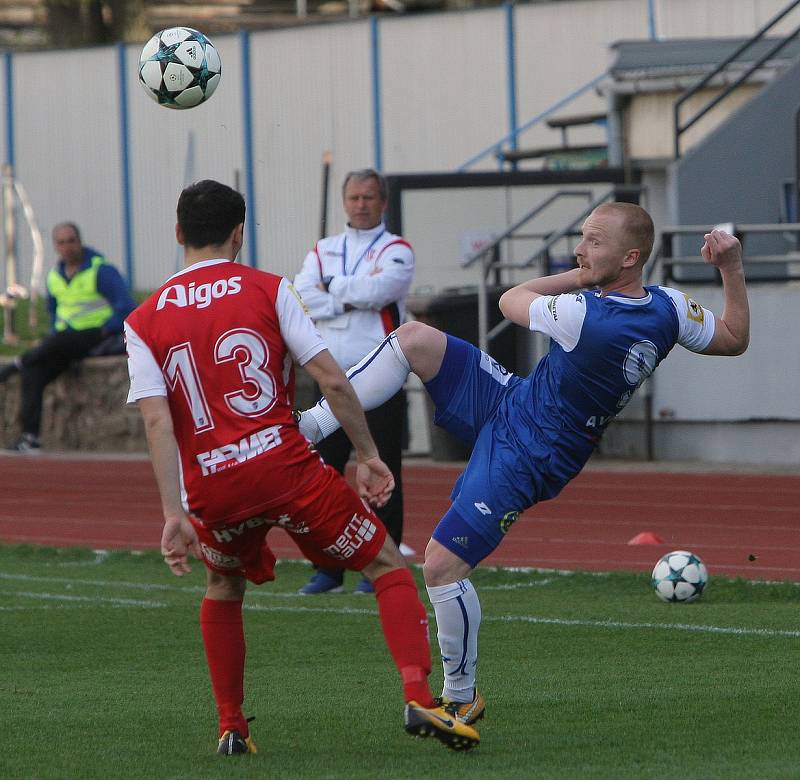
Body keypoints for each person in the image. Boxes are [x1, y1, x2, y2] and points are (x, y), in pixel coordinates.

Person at [297, 202, 750, 728]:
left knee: (441, 566)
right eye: (582, 238)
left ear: (629, 257)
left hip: (533, 450)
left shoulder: (587, 315)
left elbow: (512, 299)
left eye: (594, 242)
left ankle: (460, 696)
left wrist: (577, 277)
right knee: (414, 339)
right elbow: (734, 337)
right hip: (515, 399)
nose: (581, 250)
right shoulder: (668, 307)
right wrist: (731, 269)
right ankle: (310, 427)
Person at [124, 179, 479, 756]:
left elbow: (158, 423)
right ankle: (419, 695)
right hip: (283, 467)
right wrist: (367, 454)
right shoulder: (267, 288)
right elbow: (332, 379)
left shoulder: (142, 321)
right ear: (239, 233)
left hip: (213, 485)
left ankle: (232, 726)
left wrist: (174, 513)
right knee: (386, 563)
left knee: (222, 585)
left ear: (178, 234)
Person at [293, 168, 415, 595]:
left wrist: (333, 290)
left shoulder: (397, 248)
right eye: (354, 197)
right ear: (344, 201)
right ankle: (327, 568)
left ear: (382, 202)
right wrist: (346, 294)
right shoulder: (323, 249)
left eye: (368, 197)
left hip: (380, 379)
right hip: (329, 380)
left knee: (383, 473)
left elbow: (382, 291)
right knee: (321, 475)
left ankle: (382, 563)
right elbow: (301, 294)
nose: (361, 204)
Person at [0, 222, 135, 453]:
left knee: (58, 342)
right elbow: (54, 313)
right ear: (55, 246)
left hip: (98, 335)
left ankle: (17, 363)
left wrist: (106, 327)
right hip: (65, 342)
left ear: (80, 241)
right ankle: (30, 438)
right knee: (34, 373)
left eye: (71, 241)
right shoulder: (54, 277)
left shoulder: (100, 270)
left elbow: (126, 307)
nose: (67, 247)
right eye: (61, 242)